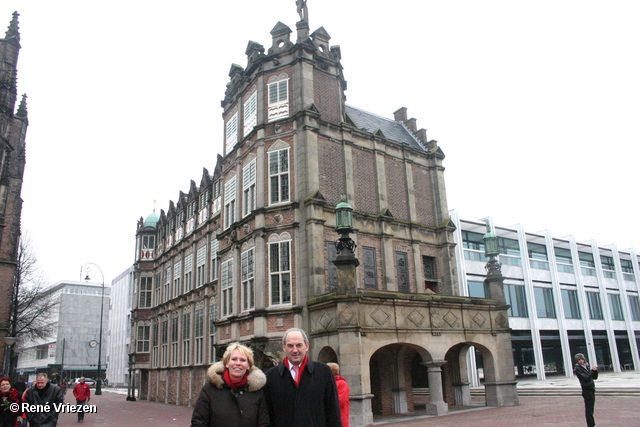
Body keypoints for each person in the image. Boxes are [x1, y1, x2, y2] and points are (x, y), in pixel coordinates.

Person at [265, 328, 342, 427]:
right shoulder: (271, 376)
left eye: (299, 345)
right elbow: (268, 417)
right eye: (290, 346)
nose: (295, 350)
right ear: (283, 347)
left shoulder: (324, 372)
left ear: (307, 346)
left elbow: (333, 412)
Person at [191, 342, 269, 427]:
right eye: (234, 359)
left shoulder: (257, 392)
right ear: (227, 363)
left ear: (248, 366)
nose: (238, 363)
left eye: (243, 360)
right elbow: (198, 423)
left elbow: (263, 424)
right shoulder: (210, 389)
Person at [574, 353, 598, 427]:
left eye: (581, 359)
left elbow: (594, 377)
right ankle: (591, 425)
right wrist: (592, 371)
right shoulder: (577, 369)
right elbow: (586, 378)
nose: (580, 361)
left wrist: (595, 371)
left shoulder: (586, 366)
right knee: (589, 409)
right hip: (586, 390)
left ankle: (592, 424)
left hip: (591, 388)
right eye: (579, 360)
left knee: (591, 408)